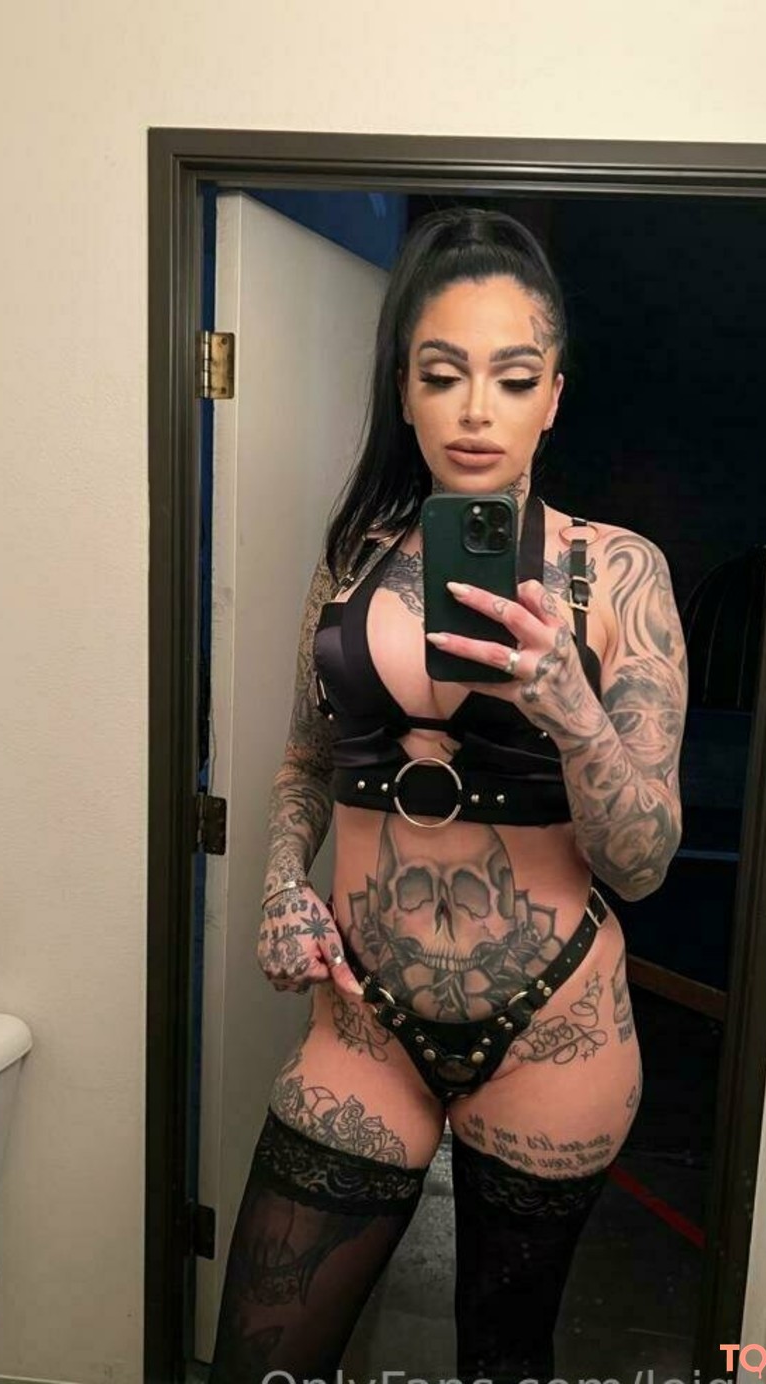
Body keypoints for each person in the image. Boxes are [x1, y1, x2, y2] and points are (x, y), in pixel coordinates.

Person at [209, 206, 688, 1384]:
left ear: (552, 398)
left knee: (503, 1360)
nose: (477, 409)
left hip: (556, 1030)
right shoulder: (352, 557)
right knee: (257, 1359)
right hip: (361, 1025)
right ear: (407, 394)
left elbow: (643, 861)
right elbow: (304, 761)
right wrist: (279, 885)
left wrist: (572, 705)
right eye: (442, 374)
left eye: (512, 378)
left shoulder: (620, 573)